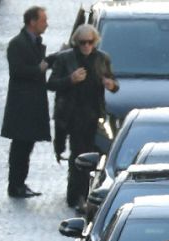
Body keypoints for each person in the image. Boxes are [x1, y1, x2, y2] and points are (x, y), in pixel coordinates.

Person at [48, 25, 118, 210]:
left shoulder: (102, 58)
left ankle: (83, 195)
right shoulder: (65, 58)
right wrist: (70, 79)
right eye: (82, 43)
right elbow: (52, 83)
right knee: (79, 155)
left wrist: (110, 85)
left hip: (94, 115)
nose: (86, 46)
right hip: (72, 114)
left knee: (92, 154)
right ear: (76, 43)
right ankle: (78, 196)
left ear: (95, 42)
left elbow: (114, 83)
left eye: (90, 42)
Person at [3, 6, 51, 199]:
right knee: (20, 147)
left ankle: (20, 183)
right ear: (32, 21)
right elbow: (17, 71)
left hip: (31, 103)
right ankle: (15, 185)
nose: (46, 24)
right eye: (43, 20)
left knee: (26, 146)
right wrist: (39, 68)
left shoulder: (34, 42)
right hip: (22, 104)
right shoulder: (17, 43)